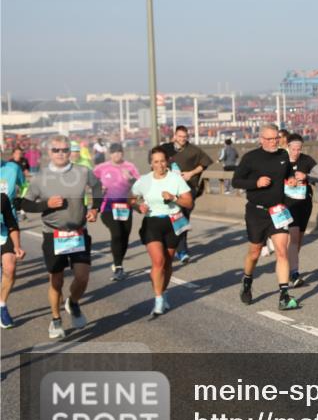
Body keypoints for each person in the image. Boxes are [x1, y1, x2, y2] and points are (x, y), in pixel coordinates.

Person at [21, 135, 102, 339]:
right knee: (56, 281)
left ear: (70, 151)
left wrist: (95, 209)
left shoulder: (82, 172)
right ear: (49, 153)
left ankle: (72, 303)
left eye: (64, 150)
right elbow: (26, 204)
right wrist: (46, 205)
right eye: (56, 150)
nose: (61, 153)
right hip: (53, 235)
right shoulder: (40, 178)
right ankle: (56, 320)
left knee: (83, 278)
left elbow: (98, 187)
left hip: (78, 232)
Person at [232, 123, 303, 310]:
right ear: (261, 139)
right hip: (256, 212)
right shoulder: (250, 158)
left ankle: (284, 296)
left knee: (281, 251)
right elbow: (236, 181)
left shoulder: (283, 156)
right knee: (254, 252)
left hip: (278, 211)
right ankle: (247, 280)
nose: (273, 142)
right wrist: (256, 182)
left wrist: (292, 180)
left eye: (276, 139)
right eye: (270, 139)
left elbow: (288, 175)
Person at [131, 146, 193, 316]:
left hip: (173, 222)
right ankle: (158, 299)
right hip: (152, 223)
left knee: (167, 263)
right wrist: (138, 206)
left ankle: (164, 293)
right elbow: (130, 197)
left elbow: (189, 203)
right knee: (158, 261)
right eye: (156, 162)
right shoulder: (144, 180)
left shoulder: (175, 179)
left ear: (167, 162)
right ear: (151, 163)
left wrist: (174, 198)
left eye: (162, 161)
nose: (159, 165)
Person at [160, 125, 213, 264]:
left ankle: (182, 251)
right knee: (169, 219)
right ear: (174, 136)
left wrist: (191, 173)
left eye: (185, 137)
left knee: (182, 218)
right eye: (180, 136)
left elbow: (206, 163)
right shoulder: (166, 149)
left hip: (188, 189)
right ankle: (171, 246)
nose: (182, 139)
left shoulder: (193, 150)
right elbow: (154, 162)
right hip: (169, 190)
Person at [284, 133, 318, 287]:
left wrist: (306, 176)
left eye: (298, 149)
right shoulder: (282, 162)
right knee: (293, 237)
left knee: (299, 239)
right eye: (293, 149)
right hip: (289, 204)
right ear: (287, 147)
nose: (296, 152)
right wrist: (288, 181)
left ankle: (290, 267)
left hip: (305, 204)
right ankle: (294, 273)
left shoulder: (307, 160)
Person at [93, 143, 141, 280]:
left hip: (125, 206)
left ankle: (117, 262)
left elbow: (141, 184)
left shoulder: (130, 167)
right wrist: (98, 187)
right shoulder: (102, 168)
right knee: (117, 233)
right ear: (110, 154)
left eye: (119, 152)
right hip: (107, 206)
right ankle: (118, 267)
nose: (116, 155)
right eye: (114, 152)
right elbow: (90, 180)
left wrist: (131, 179)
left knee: (125, 236)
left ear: (122, 153)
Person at [0, 191, 26, 329]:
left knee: (9, 268)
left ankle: (1, 305)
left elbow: (11, 223)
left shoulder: (2, 198)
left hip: (2, 236)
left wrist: (17, 246)